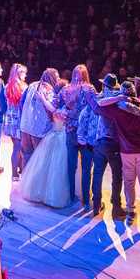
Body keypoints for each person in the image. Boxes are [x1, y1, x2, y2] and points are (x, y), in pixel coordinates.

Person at [94, 81, 140, 227]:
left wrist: (116, 98)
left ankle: (130, 212)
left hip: (126, 153)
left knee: (129, 183)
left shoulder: (118, 110)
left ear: (122, 95)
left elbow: (98, 105)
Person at [18, 108, 72, 208]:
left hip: (59, 135)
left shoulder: (61, 104)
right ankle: (45, 194)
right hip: (54, 135)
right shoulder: (55, 103)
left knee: (55, 166)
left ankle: (49, 195)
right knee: (47, 165)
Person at [90, 74, 127, 219]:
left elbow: (99, 102)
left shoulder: (102, 99)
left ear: (105, 86)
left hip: (100, 142)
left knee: (98, 174)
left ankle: (96, 205)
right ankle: (116, 207)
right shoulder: (117, 100)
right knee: (117, 176)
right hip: (113, 143)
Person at [58, 65, 93, 204]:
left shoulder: (66, 89)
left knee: (71, 167)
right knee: (86, 168)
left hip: (71, 131)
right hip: (85, 134)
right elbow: (95, 109)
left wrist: (65, 113)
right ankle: (86, 199)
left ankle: (71, 196)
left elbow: (55, 105)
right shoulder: (90, 89)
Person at [18, 68, 59, 170]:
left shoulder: (32, 85)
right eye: (57, 77)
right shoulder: (49, 90)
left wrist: (25, 117)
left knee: (26, 156)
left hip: (25, 126)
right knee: (39, 159)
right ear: (52, 78)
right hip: (39, 130)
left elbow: (21, 103)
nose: (58, 79)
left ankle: (25, 179)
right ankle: (35, 180)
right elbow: (52, 109)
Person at [76, 88, 104, 215]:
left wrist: (83, 141)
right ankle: (96, 204)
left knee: (86, 173)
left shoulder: (85, 110)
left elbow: (80, 131)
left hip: (87, 146)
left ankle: (86, 202)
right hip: (99, 147)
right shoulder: (102, 110)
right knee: (97, 174)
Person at [3, 63, 28, 179]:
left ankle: (19, 168)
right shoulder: (23, 87)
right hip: (19, 119)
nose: (25, 75)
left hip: (9, 119)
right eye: (24, 73)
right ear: (19, 73)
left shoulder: (7, 86)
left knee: (17, 146)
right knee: (18, 147)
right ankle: (14, 173)